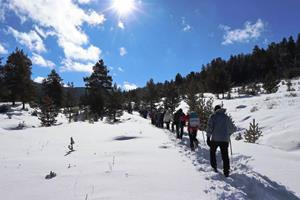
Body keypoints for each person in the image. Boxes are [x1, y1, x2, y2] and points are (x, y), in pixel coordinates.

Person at [206, 105, 236, 177]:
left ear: (215, 110)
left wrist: (208, 137)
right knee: (225, 155)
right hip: (224, 140)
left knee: (212, 152)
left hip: (215, 139)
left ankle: (214, 167)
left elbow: (210, 127)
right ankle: (226, 171)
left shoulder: (213, 116)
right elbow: (233, 128)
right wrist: (228, 133)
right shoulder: (226, 117)